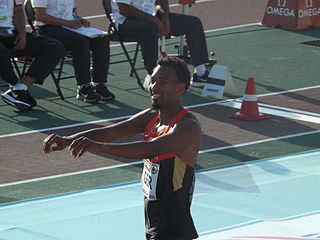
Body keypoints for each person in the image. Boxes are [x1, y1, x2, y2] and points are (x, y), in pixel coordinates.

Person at [43, 57, 201, 240]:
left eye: (162, 82)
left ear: (181, 87)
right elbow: (112, 131)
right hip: (154, 218)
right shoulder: (152, 117)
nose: (154, 87)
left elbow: (148, 149)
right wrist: (68, 140)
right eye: (153, 80)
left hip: (174, 225)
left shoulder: (187, 126)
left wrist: (99, 147)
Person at [110, 0, 211, 88]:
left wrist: (165, 18)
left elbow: (161, 1)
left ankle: (200, 73)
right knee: (150, 27)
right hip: (125, 22)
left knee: (193, 23)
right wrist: (154, 20)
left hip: (151, 18)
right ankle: (154, 75)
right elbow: (124, 9)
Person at [31, 0, 115, 102]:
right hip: (48, 29)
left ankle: (98, 83)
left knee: (102, 39)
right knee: (80, 42)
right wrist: (67, 23)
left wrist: (80, 19)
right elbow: (40, 16)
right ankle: (83, 86)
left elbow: (71, 12)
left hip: (68, 27)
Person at [0, 0, 64, 112]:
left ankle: (20, 89)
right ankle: (14, 86)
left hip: (10, 33)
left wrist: (22, 34)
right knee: (2, 53)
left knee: (54, 47)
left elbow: (18, 9)